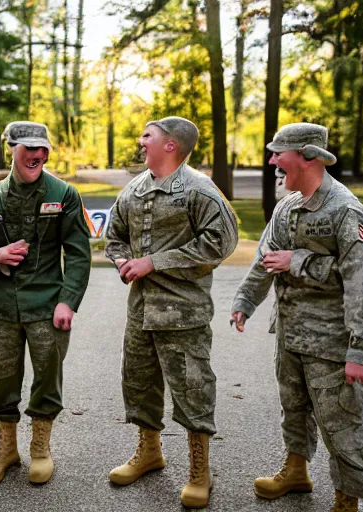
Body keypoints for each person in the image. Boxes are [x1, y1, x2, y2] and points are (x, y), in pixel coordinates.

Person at [230, 123, 363, 512]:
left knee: (342, 423)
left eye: (278, 153)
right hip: (291, 335)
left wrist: (362, 352)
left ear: (308, 157)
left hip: (333, 344)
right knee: (295, 409)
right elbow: (265, 257)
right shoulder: (287, 205)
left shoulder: (345, 210)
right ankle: (297, 470)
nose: (272, 161)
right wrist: (245, 300)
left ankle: (346, 499)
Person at [105, 116, 238, 508]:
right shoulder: (134, 188)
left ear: (171, 145)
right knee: (139, 383)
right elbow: (113, 236)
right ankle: (149, 452)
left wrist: (154, 262)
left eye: (148, 135)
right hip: (141, 311)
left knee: (193, 390)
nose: (140, 139)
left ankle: (200, 473)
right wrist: (124, 260)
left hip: (183, 313)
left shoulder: (199, 190)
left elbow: (221, 241)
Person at [0, 121, 91, 487]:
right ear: (10, 148)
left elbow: (78, 254)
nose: (38, 155)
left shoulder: (63, 194)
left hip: (47, 306)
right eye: (29, 148)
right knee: (0, 380)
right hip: (0, 307)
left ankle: (41, 449)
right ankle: (7, 449)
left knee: (47, 378)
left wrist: (68, 302)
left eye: (43, 149)